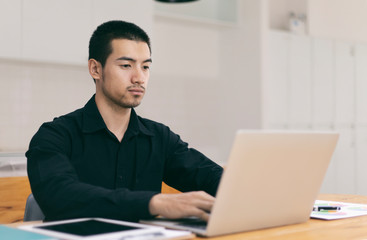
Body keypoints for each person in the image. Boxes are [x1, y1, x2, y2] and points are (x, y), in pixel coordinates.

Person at [26, 20, 223, 222]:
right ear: (95, 69)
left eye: (145, 67)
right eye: (126, 65)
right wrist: (154, 203)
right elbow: (60, 195)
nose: (139, 77)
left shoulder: (160, 138)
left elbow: (209, 177)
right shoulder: (55, 136)